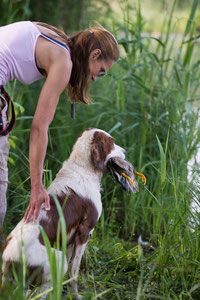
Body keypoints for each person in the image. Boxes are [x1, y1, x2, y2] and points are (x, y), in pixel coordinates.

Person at [0, 21, 120, 249]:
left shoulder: (56, 39)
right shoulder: (63, 60)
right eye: (101, 72)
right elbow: (39, 128)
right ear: (94, 54)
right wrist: (37, 188)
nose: (95, 78)